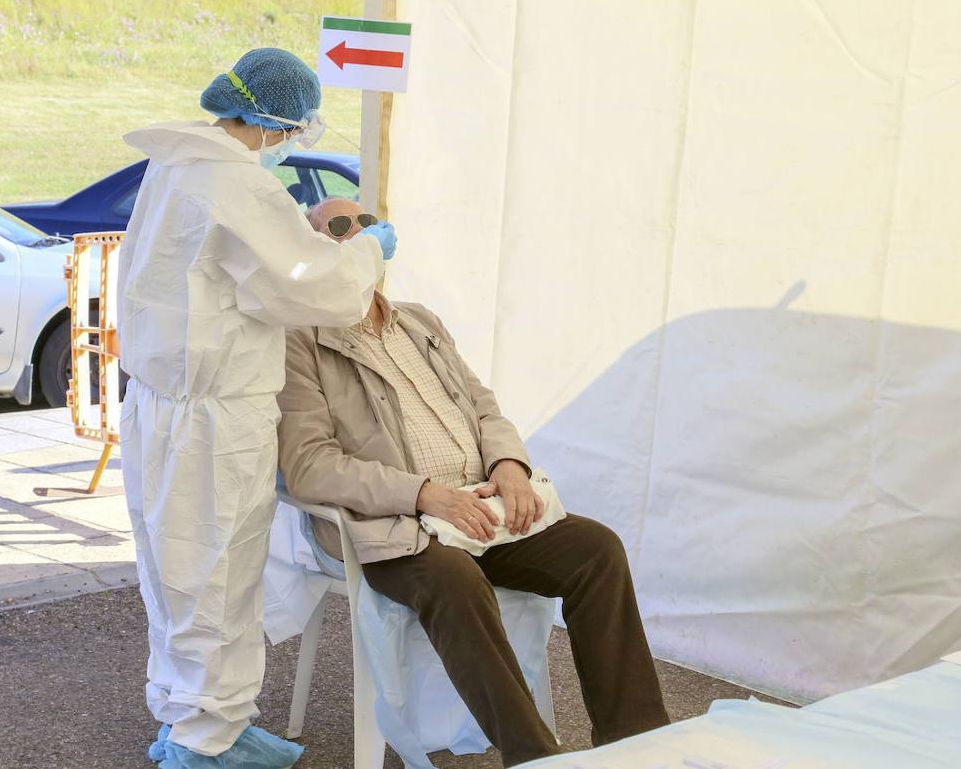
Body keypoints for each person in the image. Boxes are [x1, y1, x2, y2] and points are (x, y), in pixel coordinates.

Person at [277, 198, 671, 768]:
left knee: (596, 550)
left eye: (369, 224)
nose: (358, 235)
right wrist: (423, 494)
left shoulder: (419, 321)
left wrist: (508, 465)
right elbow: (309, 464)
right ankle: (534, 756)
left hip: (478, 509)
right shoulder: (300, 339)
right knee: (453, 577)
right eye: (339, 226)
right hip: (393, 525)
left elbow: (484, 408)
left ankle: (638, 742)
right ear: (312, 250)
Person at [118, 49, 397, 769]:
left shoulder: (178, 165)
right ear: (278, 121)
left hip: (161, 405)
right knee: (214, 577)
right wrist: (366, 251)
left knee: (180, 575)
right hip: (216, 415)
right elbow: (315, 292)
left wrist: (298, 237)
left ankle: (202, 719)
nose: (295, 140)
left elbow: (235, 267)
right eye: (297, 129)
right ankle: (205, 741)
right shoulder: (236, 184)